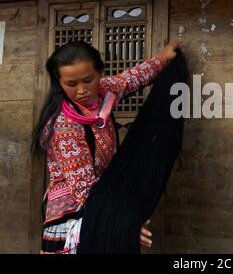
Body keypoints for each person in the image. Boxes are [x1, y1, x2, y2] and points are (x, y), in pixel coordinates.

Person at [31, 39, 180, 254]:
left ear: (99, 73)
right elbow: (83, 187)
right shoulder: (64, 125)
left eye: (88, 80)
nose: (82, 90)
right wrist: (121, 223)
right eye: (71, 84)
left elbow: (132, 78)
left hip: (102, 200)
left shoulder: (104, 93)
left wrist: (164, 59)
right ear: (59, 82)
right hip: (72, 218)